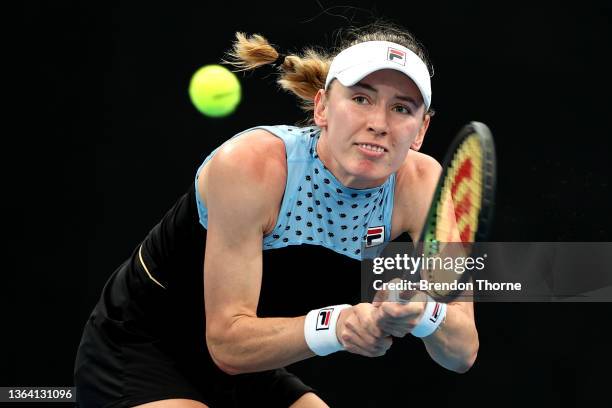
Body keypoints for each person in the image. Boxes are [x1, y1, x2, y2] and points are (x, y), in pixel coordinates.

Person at [74, 21, 479, 408]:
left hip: (253, 366)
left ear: (421, 130)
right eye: (361, 98)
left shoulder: (425, 186)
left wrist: (423, 311)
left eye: (401, 109)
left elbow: (462, 352)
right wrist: (337, 327)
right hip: (142, 347)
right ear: (322, 107)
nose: (378, 123)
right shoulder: (252, 166)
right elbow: (227, 344)